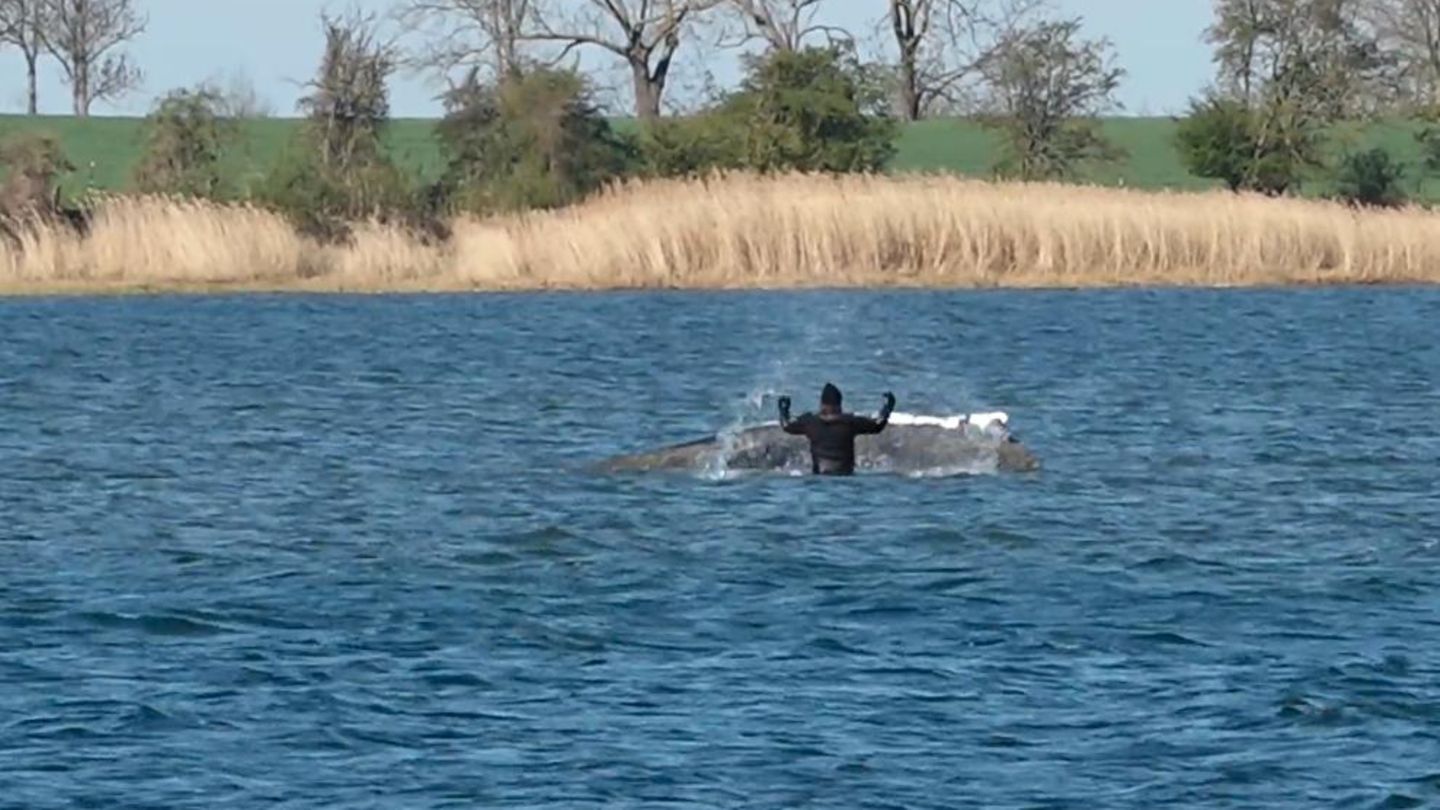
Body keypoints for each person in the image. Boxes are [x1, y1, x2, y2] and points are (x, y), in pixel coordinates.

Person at [778, 383, 896, 476]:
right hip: (846, 476)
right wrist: (887, 408)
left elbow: (787, 426)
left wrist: (784, 410)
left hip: (819, 477)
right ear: (839, 405)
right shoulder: (850, 422)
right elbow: (877, 426)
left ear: (822, 404)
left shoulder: (810, 422)